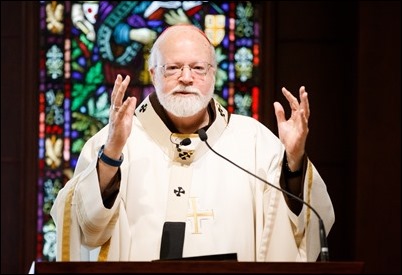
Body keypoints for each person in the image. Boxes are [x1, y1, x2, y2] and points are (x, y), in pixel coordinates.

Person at [51, 24, 335, 262]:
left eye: (198, 68)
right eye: (173, 68)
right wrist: (112, 155)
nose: (186, 78)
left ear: (213, 74)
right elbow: (86, 227)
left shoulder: (254, 140)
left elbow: (300, 222)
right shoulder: (116, 139)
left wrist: (294, 160)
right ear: (153, 74)